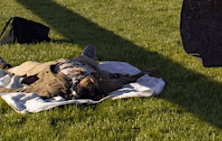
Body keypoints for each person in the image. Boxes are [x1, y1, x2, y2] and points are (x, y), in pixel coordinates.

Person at [0, 45, 159, 100]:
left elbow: (23, 91)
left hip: (50, 67)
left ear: (78, 87)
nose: (92, 79)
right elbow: (121, 80)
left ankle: (4, 65)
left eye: (89, 82)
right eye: (93, 80)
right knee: (90, 49)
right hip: (83, 62)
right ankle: (86, 54)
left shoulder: (55, 87)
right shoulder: (102, 83)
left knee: (20, 68)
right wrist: (144, 73)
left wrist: (3, 89)